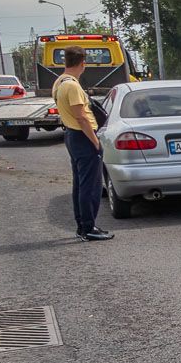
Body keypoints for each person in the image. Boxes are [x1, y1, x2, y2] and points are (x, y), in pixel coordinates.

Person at [53, 46, 113, 241]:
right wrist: (95, 141)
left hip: (72, 135)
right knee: (91, 185)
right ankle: (88, 227)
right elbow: (81, 117)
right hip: (82, 136)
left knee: (80, 184)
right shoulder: (72, 86)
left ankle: (82, 226)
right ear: (83, 63)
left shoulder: (59, 81)